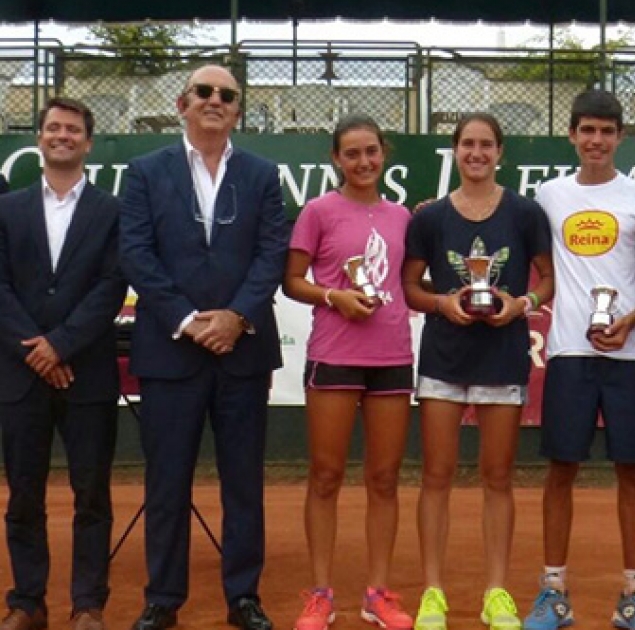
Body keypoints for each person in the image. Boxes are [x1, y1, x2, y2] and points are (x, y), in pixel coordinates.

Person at [119, 64, 289, 630]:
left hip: (242, 352)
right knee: (167, 482)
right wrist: (191, 321)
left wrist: (237, 318)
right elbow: (137, 254)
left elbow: (272, 253)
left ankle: (243, 597)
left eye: (227, 95)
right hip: (172, 352)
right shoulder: (144, 172)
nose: (215, 100)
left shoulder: (263, 174)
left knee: (243, 481)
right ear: (181, 103)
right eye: (204, 92)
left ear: (238, 109)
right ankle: (162, 600)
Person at [403, 113, 554, 630]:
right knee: (437, 476)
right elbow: (410, 288)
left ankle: (496, 592)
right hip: (445, 356)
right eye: (468, 144)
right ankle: (433, 594)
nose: (477, 153)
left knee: (497, 478)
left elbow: (548, 279)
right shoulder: (430, 217)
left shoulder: (525, 212)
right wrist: (443, 305)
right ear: (455, 151)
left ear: (500, 152)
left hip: (501, 354)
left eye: (486, 144)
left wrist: (523, 303)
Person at [522, 89, 635, 630]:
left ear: (620, 136)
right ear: (572, 135)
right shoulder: (550, 194)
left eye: (607, 131)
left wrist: (630, 321)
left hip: (628, 354)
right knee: (561, 470)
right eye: (587, 130)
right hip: (569, 352)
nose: (597, 141)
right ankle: (553, 591)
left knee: (633, 472)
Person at [283, 114, 414, 630]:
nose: (363, 162)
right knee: (326, 475)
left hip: (392, 357)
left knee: (384, 478)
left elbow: (410, 282)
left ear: (384, 154)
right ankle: (319, 595)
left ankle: (377, 594)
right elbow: (293, 280)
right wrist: (334, 295)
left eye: (372, 152)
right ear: (337, 159)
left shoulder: (403, 217)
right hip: (334, 353)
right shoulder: (317, 211)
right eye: (352, 153)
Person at [0, 97, 126, 630]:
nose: (62, 136)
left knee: (91, 494)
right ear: (40, 138)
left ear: (88, 142)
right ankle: (28, 602)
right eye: (53, 128)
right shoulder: (7, 209)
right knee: (23, 493)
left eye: (73, 129)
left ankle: (87, 605)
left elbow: (111, 286)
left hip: (87, 374)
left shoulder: (113, 212)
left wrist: (63, 345)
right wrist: (37, 349)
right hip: (20, 375)